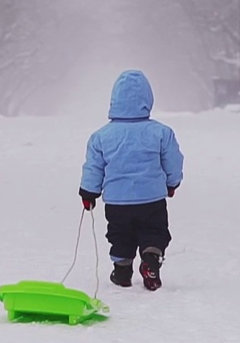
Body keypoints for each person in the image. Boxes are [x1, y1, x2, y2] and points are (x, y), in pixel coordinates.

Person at [78, 70, 184, 291]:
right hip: (152, 200)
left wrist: (89, 192)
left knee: (119, 234)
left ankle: (122, 270)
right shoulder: (161, 132)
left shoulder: (101, 136)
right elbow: (173, 161)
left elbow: (94, 167)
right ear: (148, 99)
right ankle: (151, 262)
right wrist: (172, 183)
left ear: (114, 101)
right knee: (154, 231)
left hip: (118, 203)